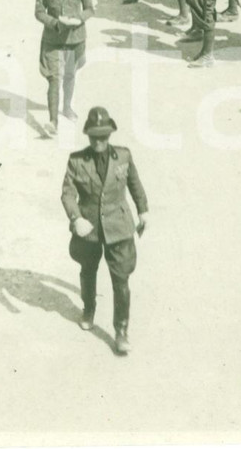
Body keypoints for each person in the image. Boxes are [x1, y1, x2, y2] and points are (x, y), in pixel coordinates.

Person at [61, 107, 148, 356]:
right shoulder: (77, 161)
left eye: (103, 136)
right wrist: (76, 218)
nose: (98, 141)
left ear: (109, 135)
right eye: (94, 136)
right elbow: (67, 194)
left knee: (121, 279)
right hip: (89, 227)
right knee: (88, 271)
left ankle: (121, 331)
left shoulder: (123, 156)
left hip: (118, 226)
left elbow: (135, 184)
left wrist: (143, 211)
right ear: (88, 135)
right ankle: (88, 309)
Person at [34, 0, 95, 135]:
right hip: (53, 38)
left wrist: (79, 19)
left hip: (75, 38)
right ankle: (53, 121)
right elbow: (38, 12)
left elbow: (89, 9)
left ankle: (67, 107)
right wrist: (54, 23)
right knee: (54, 78)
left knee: (70, 75)